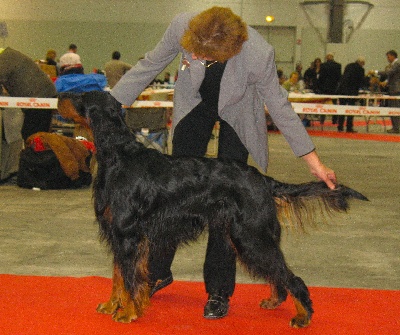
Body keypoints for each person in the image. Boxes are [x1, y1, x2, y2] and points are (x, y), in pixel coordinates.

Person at [111, 6, 337, 320]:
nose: (197, 60)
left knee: (228, 204)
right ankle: (158, 272)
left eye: (207, 58)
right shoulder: (182, 25)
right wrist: (111, 103)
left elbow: (279, 105)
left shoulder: (258, 53)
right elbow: (151, 64)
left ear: (229, 50)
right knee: (170, 196)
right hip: (195, 106)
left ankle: (218, 290)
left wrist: (313, 162)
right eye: (194, 54)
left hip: (239, 113)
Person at [0, 47, 57, 141]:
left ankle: (38, 154)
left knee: (33, 136)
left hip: (40, 96)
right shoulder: (9, 55)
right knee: (31, 134)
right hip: (42, 94)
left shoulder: (4, 59)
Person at [336, 57, 367, 133]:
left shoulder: (349, 65)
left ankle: (340, 127)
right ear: (361, 62)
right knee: (350, 110)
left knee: (342, 109)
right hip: (352, 92)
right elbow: (361, 81)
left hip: (342, 91)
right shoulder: (361, 69)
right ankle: (349, 127)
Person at [375, 50, 400, 133]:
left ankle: (396, 128)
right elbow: (392, 76)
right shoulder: (393, 64)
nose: (388, 58)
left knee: (395, 109)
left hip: (395, 89)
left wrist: (376, 72)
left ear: (393, 56)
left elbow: (388, 73)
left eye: (388, 57)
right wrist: (386, 82)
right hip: (392, 89)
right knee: (393, 108)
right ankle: (395, 127)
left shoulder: (397, 64)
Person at [318, 52, 341, 124]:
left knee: (323, 103)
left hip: (324, 87)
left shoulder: (323, 65)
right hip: (334, 88)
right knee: (334, 103)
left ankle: (322, 119)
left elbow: (321, 77)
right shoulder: (338, 65)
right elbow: (339, 77)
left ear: (327, 57)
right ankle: (334, 119)